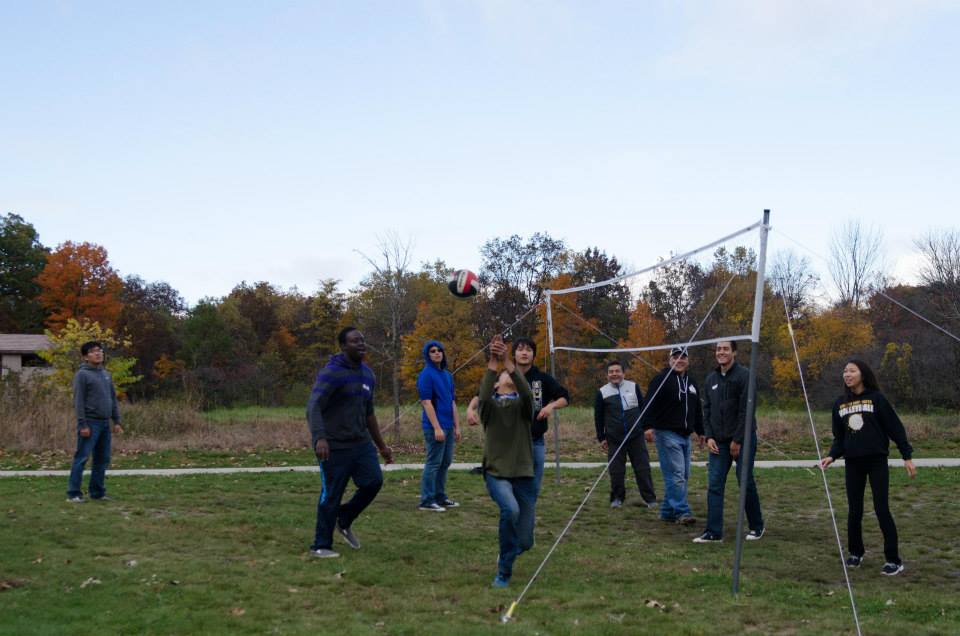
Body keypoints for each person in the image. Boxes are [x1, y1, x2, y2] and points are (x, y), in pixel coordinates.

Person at [820, 359, 916, 576]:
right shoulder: (840, 404)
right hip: (853, 463)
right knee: (854, 511)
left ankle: (893, 560)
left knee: (881, 509)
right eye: (845, 371)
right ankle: (856, 553)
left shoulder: (877, 399)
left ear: (862, 374)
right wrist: (831, 456)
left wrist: (907, 456)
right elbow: (840, 438)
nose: (847, 374)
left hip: (876, 461)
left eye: (852, 371)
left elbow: (895, 428)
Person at [306, 327, 394, 558]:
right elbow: (313, 406)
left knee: (373, 482)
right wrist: (320, 437)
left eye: (363, 340)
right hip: (333, 445)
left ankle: (344, 518)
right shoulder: (332, 373)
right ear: (343, 346)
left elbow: (369, 413)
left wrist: (382, 446)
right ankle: (321, 545)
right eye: (355, 341)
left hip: (361, 443)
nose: (361, 344)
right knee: (331, 494)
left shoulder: (368, 375)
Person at [467, 336, 569, 495]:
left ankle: (525, 509)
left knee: (532, 488)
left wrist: (551, 406)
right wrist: (470, 409)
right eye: (520, 349)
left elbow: (565, 397)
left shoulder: (542, 378)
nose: (524, 353)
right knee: (508, 487)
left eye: (529, 350)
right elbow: (481, 395)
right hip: (507, 443)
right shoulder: (504, 377)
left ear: (534, 355)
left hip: (534, 441)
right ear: (513, 354)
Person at [479, 334, 536, 588]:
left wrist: (508, 363)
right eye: (503, 376)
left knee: (525, 541)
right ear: (496, 385)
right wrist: (494, 361)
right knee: (510, 510)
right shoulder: (489, 408)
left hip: (523, 473)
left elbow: (526, 391)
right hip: (496, 472)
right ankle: (503, 572)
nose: (508, 377)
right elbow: (483, 396)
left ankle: (508, 550)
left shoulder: (524, 407)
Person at [695, 340, 765, 544]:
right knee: (715, 484)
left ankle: (757, 526)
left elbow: (746, 410)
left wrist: (738, 440)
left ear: (734, 352)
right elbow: (707, 410)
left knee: (745, 481)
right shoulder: (711, 379)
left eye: (725, 349)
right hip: (718, 441)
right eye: (718, 349)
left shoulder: (745, 376)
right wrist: (709, 436)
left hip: (743, 439)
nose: (721, 352)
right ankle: (713, 532)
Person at [640, 347, 703, 525]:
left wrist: (701, 431)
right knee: (676, 475)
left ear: (688, 361)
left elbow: (697, 409)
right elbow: (648, 403)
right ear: (670, 360)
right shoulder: (661, 379)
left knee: (683, 475)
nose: (679, 360)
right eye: (675, 357)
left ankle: (667, 512)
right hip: (666, 433)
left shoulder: (692, 383)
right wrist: (647, 426)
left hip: (686, 436)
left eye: (683, 357)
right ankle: (682, 512)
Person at [594, 360, 657, 509]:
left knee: (642, 469)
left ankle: (650, 499)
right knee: (616, 471)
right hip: (614, 438)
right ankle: (617, 498)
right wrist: (602, 437)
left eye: (617, 371)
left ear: (623, 373)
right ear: (607, 375)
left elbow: (643, 409)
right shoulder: (602, 392)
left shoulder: (633, 387)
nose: (614, 374)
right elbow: (598, 417)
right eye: (611, 372)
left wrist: (647, 428)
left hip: (636, 436)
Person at [66, 341, 123, 503]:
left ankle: (97, 493)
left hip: (105, 424)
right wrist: (83, 424)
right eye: (93, 351)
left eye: (100, 350)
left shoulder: (106, 374)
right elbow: (78, 401)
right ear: (85, 357)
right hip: (90, 423)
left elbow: (112, 399)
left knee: (102, 459)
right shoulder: (82, 375)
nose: (98, 353)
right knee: (82, 458)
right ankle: (74, 494)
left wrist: (116, 421)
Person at [417, 340, 460, 512]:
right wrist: (436, 427)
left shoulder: (447, 375)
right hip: (435, 427)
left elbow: (452, 402)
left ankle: (440, 497)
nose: (437, 353)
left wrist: (457, 426)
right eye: (433, 351)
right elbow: (426, 402)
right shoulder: (426, 374)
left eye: (439, 350)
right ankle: (427, 500)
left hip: (449, 426)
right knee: (434, 463)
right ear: (427, 355)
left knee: (445, 462)